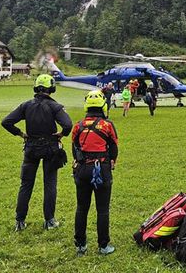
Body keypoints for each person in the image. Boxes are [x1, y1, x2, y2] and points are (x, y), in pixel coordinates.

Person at [1, 74, 72, 231]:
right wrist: (61, 134)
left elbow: (6, 122)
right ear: (51, 88)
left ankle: (19, 221)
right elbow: (67, 124)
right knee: (50, 184)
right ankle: (49, 220)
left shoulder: (26, 105)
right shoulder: (55, 106)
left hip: (31, 148)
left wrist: (21, 133)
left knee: (26, 184)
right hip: (50, 149)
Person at [71, 90, 118, 256]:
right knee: (103, 210)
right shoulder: (107, 125)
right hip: (102, 169)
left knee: (81, 208)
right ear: (103, 105)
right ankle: (103, 246)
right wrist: (111, 162)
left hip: (82, 169)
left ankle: (80, 246)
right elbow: (114, 148)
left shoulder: (78, 125)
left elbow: (75, 149)